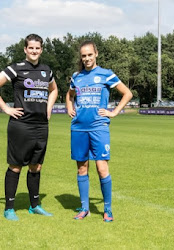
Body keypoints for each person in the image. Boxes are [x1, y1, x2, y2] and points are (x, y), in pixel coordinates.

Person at [0, 34, 58, 221]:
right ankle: (9, 208)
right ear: (25, 49)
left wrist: (48, 109)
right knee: (16, 166)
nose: (34, 51)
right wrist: (5, 108)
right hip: (21, 125)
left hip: (41, 126)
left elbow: (54, 90)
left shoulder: (46, 70)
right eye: (31, 48)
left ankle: (35, 205)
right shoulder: (16, 68)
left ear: (41, 50)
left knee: (36, 166)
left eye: (37, 48)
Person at [66, 40, 133, 222]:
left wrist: (114, 112)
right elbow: (69, 94)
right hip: (79, 127)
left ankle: (108, 209)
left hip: (99, 128)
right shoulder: (76, 76)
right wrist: (69, 107)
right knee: (82, 168)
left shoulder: (106, 74)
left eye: (89, 54)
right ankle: (84, 208)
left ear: (96, 54)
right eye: (83, 56)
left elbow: (127, 93)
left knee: (101, 167)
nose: (87, 58)